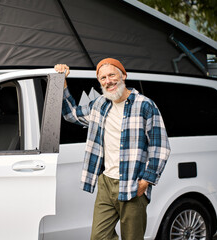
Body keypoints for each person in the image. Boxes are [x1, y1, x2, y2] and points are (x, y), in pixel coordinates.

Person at [54, 58, 171, 240]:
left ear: (123, 75)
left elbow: (160, 147)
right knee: (99, 236)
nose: (107, 81)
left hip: (133, 185)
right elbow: (71, 114)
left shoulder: (145, 105)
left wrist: (145, 182)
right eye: (102, 78)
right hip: (106, 183)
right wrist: (62, 82)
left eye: (111, 75)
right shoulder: (100, 104)